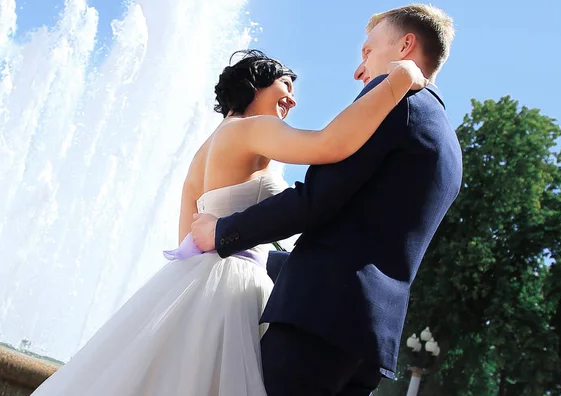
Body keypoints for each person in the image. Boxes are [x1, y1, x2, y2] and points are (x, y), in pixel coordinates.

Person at [31, 49, 428, 396]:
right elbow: (330, 143)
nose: (291, 100)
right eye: (285, 85)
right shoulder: (255, 129)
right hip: (236, 286)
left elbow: (189, 237)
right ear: (257, 82)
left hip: (193, 283)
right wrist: (399, 80)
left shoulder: (205, 148)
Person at [192, 5, 463, 396]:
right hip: (369, 343)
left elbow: (317, 199)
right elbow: (369, 234)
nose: (359, 69)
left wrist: (223, 231)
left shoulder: (393, 100)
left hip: (317, 322)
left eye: (368, 51)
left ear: (405, 45)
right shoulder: (449, 146)